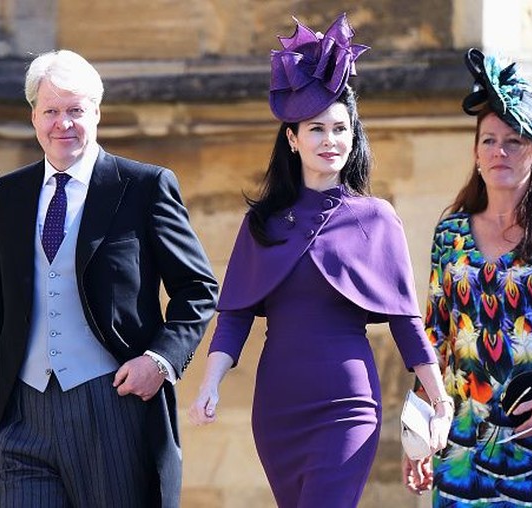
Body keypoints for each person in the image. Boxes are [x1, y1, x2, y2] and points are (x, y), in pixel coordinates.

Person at [188, 14, 452, 508]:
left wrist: (439, 399)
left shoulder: (378, 218)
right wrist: (211, 382)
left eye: (340, 128)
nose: (330, 140)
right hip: (278, 407)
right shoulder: (263, 223)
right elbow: (235, 314)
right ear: (292, 139)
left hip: (348, 406)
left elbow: (405, 321)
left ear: (354, 135)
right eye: (316, 129)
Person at [0, 49, 218, 507]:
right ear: (34, 116)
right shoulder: (8, 193)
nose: (64, 124)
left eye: (76, 110)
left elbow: (197, 288)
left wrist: (159, 361)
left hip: (112, 407)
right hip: (23, 415)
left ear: (97, 113)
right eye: (52, 111)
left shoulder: (143, 186)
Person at [402, 47, 532, 506]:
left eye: (514, 141)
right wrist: (418, 426)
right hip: (462, 442)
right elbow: (434, 338)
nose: (499, 151)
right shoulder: (451, 233)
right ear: (475, 153)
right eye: (488, 141)